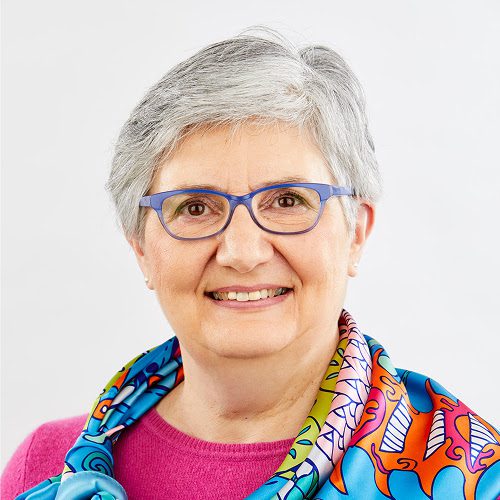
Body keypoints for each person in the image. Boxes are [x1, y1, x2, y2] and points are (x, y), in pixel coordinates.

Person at [2, 26, 499, 500]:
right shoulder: (43, 470)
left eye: (287, 201)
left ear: (356, 233)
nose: (242, 253)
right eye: (195, 207)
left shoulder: (476, 482)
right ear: (141, 248)